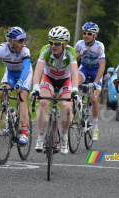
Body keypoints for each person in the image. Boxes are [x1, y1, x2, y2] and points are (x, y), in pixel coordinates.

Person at [0, 26, 33, 145]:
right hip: (10, 73)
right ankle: (10, 115)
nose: (23, 44)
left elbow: (26, 68)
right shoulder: (1, 49)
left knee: (21, 97)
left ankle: (23, 132)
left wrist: (20, 83)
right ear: (10, 41)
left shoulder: (25, 51)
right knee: (3, 91)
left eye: (24, 40)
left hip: (25, 74)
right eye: (20, 41)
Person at [32, 26, 78, 155]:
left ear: (65, 44)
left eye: (57, 43)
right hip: (49, 79)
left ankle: (64, 136)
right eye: (51, 42)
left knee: (67, 107)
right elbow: (38, 71)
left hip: (65, 81)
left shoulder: (70, 52)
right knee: (43, 103)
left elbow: (74, 73)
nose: (53, 46)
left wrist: (75, 91)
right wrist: (35, 88)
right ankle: (41, 137)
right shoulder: (45, 50)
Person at [74, 22, 106, 140]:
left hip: (96, 71)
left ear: (95, 35)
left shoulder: (99, 46)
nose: (86, 35)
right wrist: (81, 53)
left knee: (93, 99)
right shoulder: (79, 44)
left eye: (89, 34)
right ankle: (77, 102)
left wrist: (96, 82)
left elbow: (102, 66)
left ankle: (95, 126)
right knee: (74, 83)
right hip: (84, 69)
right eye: (84, 33)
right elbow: (71, 61)